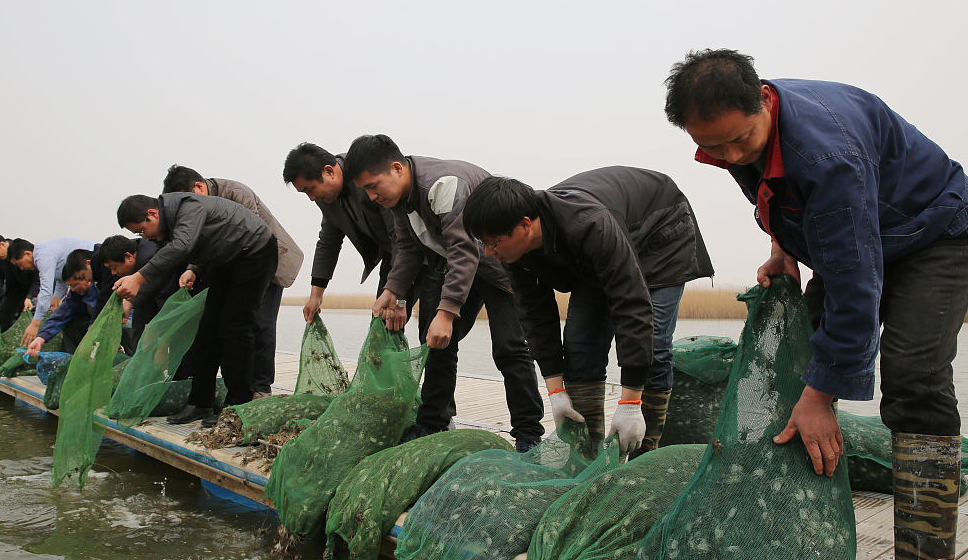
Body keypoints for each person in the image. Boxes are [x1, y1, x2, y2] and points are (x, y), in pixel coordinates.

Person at [663, 48, 968, 560]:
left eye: (740, 141)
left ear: (763, 99)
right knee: (795, 359)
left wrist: (823, 397)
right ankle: (785, 544)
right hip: (868, 233)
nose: (732, 156)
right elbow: (774, 194)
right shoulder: (737, 134)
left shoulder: (828, 154)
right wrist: (781, 250)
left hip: (935, 230)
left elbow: (855, 283)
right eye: (716, 149)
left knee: (914, 380)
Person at [462, 169, 713, 455]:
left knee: (652, 342)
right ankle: (586, 455)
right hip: (598, 255)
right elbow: (535, 315)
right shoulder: (512, 252)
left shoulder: (589, 224)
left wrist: (630, 403)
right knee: (580, 345)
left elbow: (630, 302)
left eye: (493, 243)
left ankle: (646, 453)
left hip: (659, 233)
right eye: (484, 244)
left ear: (525, 224)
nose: (490, 253)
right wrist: (556, 391)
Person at [344, 134, 545, 451]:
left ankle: (528, 433)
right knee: (434, 341)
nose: (371, 196)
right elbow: (408, 248)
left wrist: (447, 312)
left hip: (497, 263)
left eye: (373, 186)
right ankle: (433, 422)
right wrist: (391, 290)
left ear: (397, 168)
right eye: (366, 190)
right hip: (451, 264)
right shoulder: (399, 200)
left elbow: (465, 250)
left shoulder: (442, 185)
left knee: (509, 346)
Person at [113, 192, 277, 427]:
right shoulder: (168, 229)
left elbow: (182, 246)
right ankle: (200, 402)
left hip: (255, 253)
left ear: (152, 214)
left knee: (235, 330)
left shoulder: (188, 207)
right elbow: (164, 267)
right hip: (226, 259)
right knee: (206, 331)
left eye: (141, 230)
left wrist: (137, 278)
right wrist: (131, 302)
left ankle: (238, 405)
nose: (143, 237)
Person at [162, 165, 303, 399]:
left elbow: (250, 235)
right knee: (227, 326)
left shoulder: (236, 192)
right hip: (236, 268)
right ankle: (238, 385)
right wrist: (192, 269)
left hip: (266, 263)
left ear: (198, 186)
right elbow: (202, 239)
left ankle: (261, 387)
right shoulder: (201, 204)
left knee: (261, 324)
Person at [282, 142, 413, 322]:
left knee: (433, 334)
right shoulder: (327, 197)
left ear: (329, 171)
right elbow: (329, 241)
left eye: (310, 189)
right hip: (393, 257)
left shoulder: (367, 177)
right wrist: (316, 295)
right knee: (382, 326)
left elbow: (400, 236)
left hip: (421, 254)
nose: (311, 198)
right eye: (305, 193)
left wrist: (398, 298)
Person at [7, 235, 96, 347]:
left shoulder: (42, 256)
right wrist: (56, 298)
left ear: (27, 254)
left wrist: (35, 324)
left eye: (19, 264)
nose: (21, 268)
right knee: (68, 320)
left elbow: (46, 290)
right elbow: (60, 279)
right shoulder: (74, 292)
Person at [25, 249, 99, 356]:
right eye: (70, 286)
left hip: (119, 325)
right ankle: (76, 358)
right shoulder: (75, 295)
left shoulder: (101, 287)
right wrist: (40, 338)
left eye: (75, 285)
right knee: (70, 323)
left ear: (86, 278)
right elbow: (59, 316)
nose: (72, 290)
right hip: (93, 325)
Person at [97, 234, 164, 348]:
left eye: (114, 267)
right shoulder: (141, 257)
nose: (113, 273)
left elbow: (158, 287)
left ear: (128, 257)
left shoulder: (149, 258)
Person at [0, 233, 36, 329]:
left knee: (26, 316)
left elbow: (37, 278)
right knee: (2, 317)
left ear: (2, 244)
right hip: (14, 288)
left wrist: (30, 296)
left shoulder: (19, 249)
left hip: (33, 287)